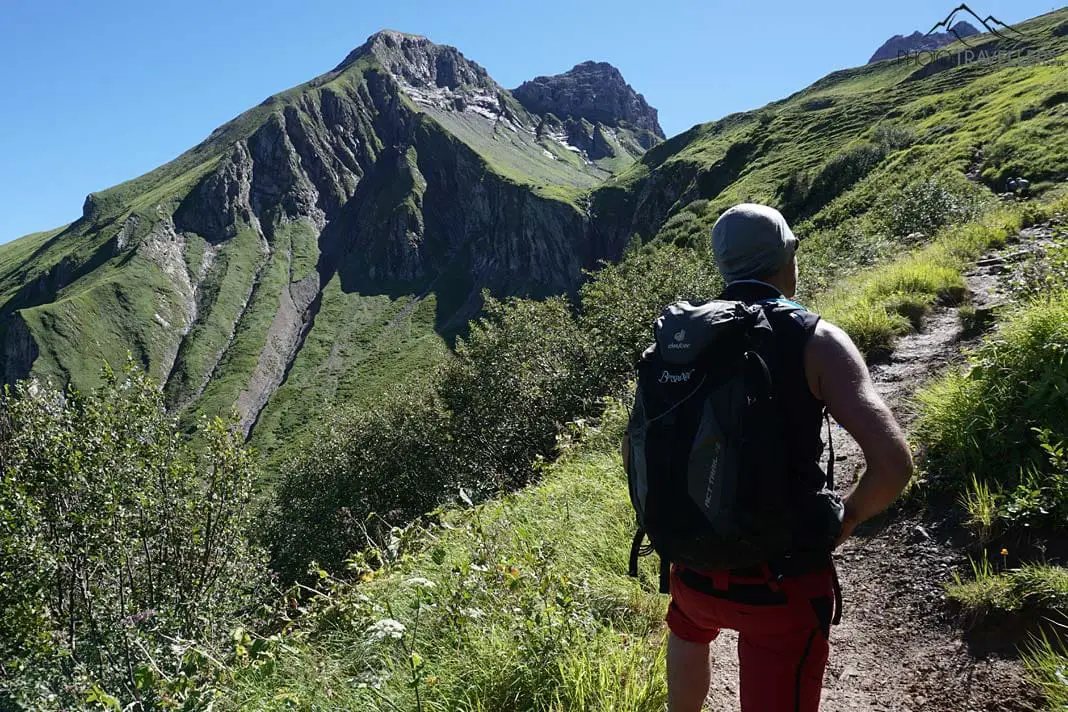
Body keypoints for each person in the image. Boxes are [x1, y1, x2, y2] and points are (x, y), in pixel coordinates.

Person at [628, 204, 914, 711]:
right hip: (779, 586)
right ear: (789, 257)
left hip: (690, 567)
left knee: (689, 631)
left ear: (724, 266)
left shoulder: (687, 337)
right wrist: (842, 522)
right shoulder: (816, 339)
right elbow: (893, 464)